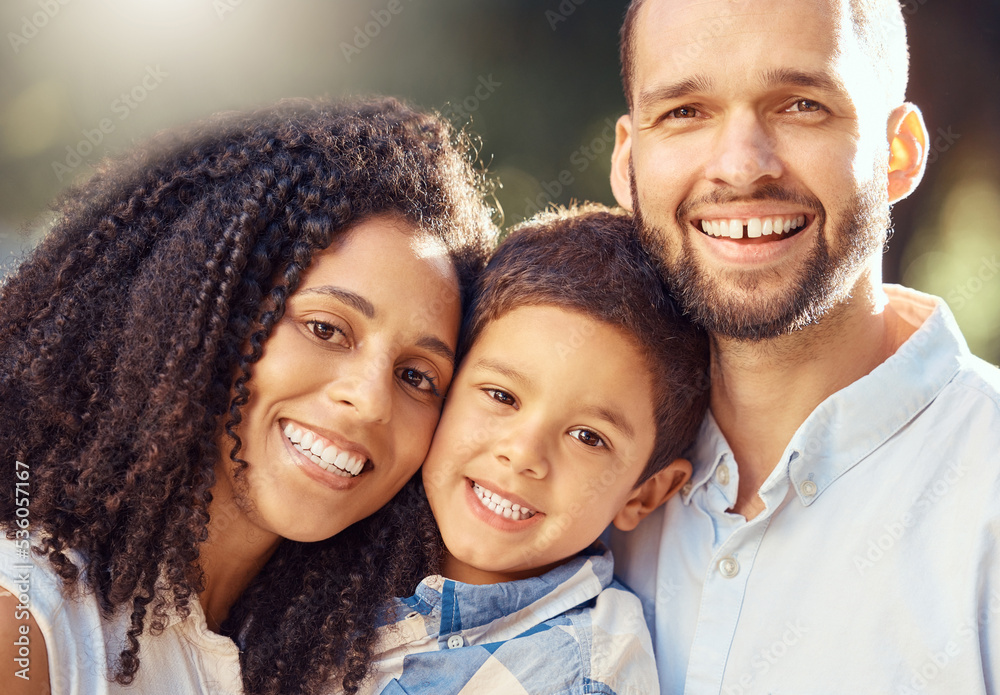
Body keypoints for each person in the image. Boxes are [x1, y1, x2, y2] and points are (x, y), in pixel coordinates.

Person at [0, 96, 495, 695]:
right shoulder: (30, 624)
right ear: (206, 316)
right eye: (326, 329)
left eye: (418, 376)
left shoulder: (348, 655)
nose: (370, 401)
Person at [606, 0, 1000, 692]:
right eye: (685, 112)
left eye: (800, 105)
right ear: (628, 163)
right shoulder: (571, 472)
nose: (741, 166)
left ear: (899, 152)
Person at [332, 205, 710, 694]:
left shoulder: (581, 676)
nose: (524, 453)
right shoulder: (340, 532)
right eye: (501, 396)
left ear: (645, 493)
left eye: (588, 437)